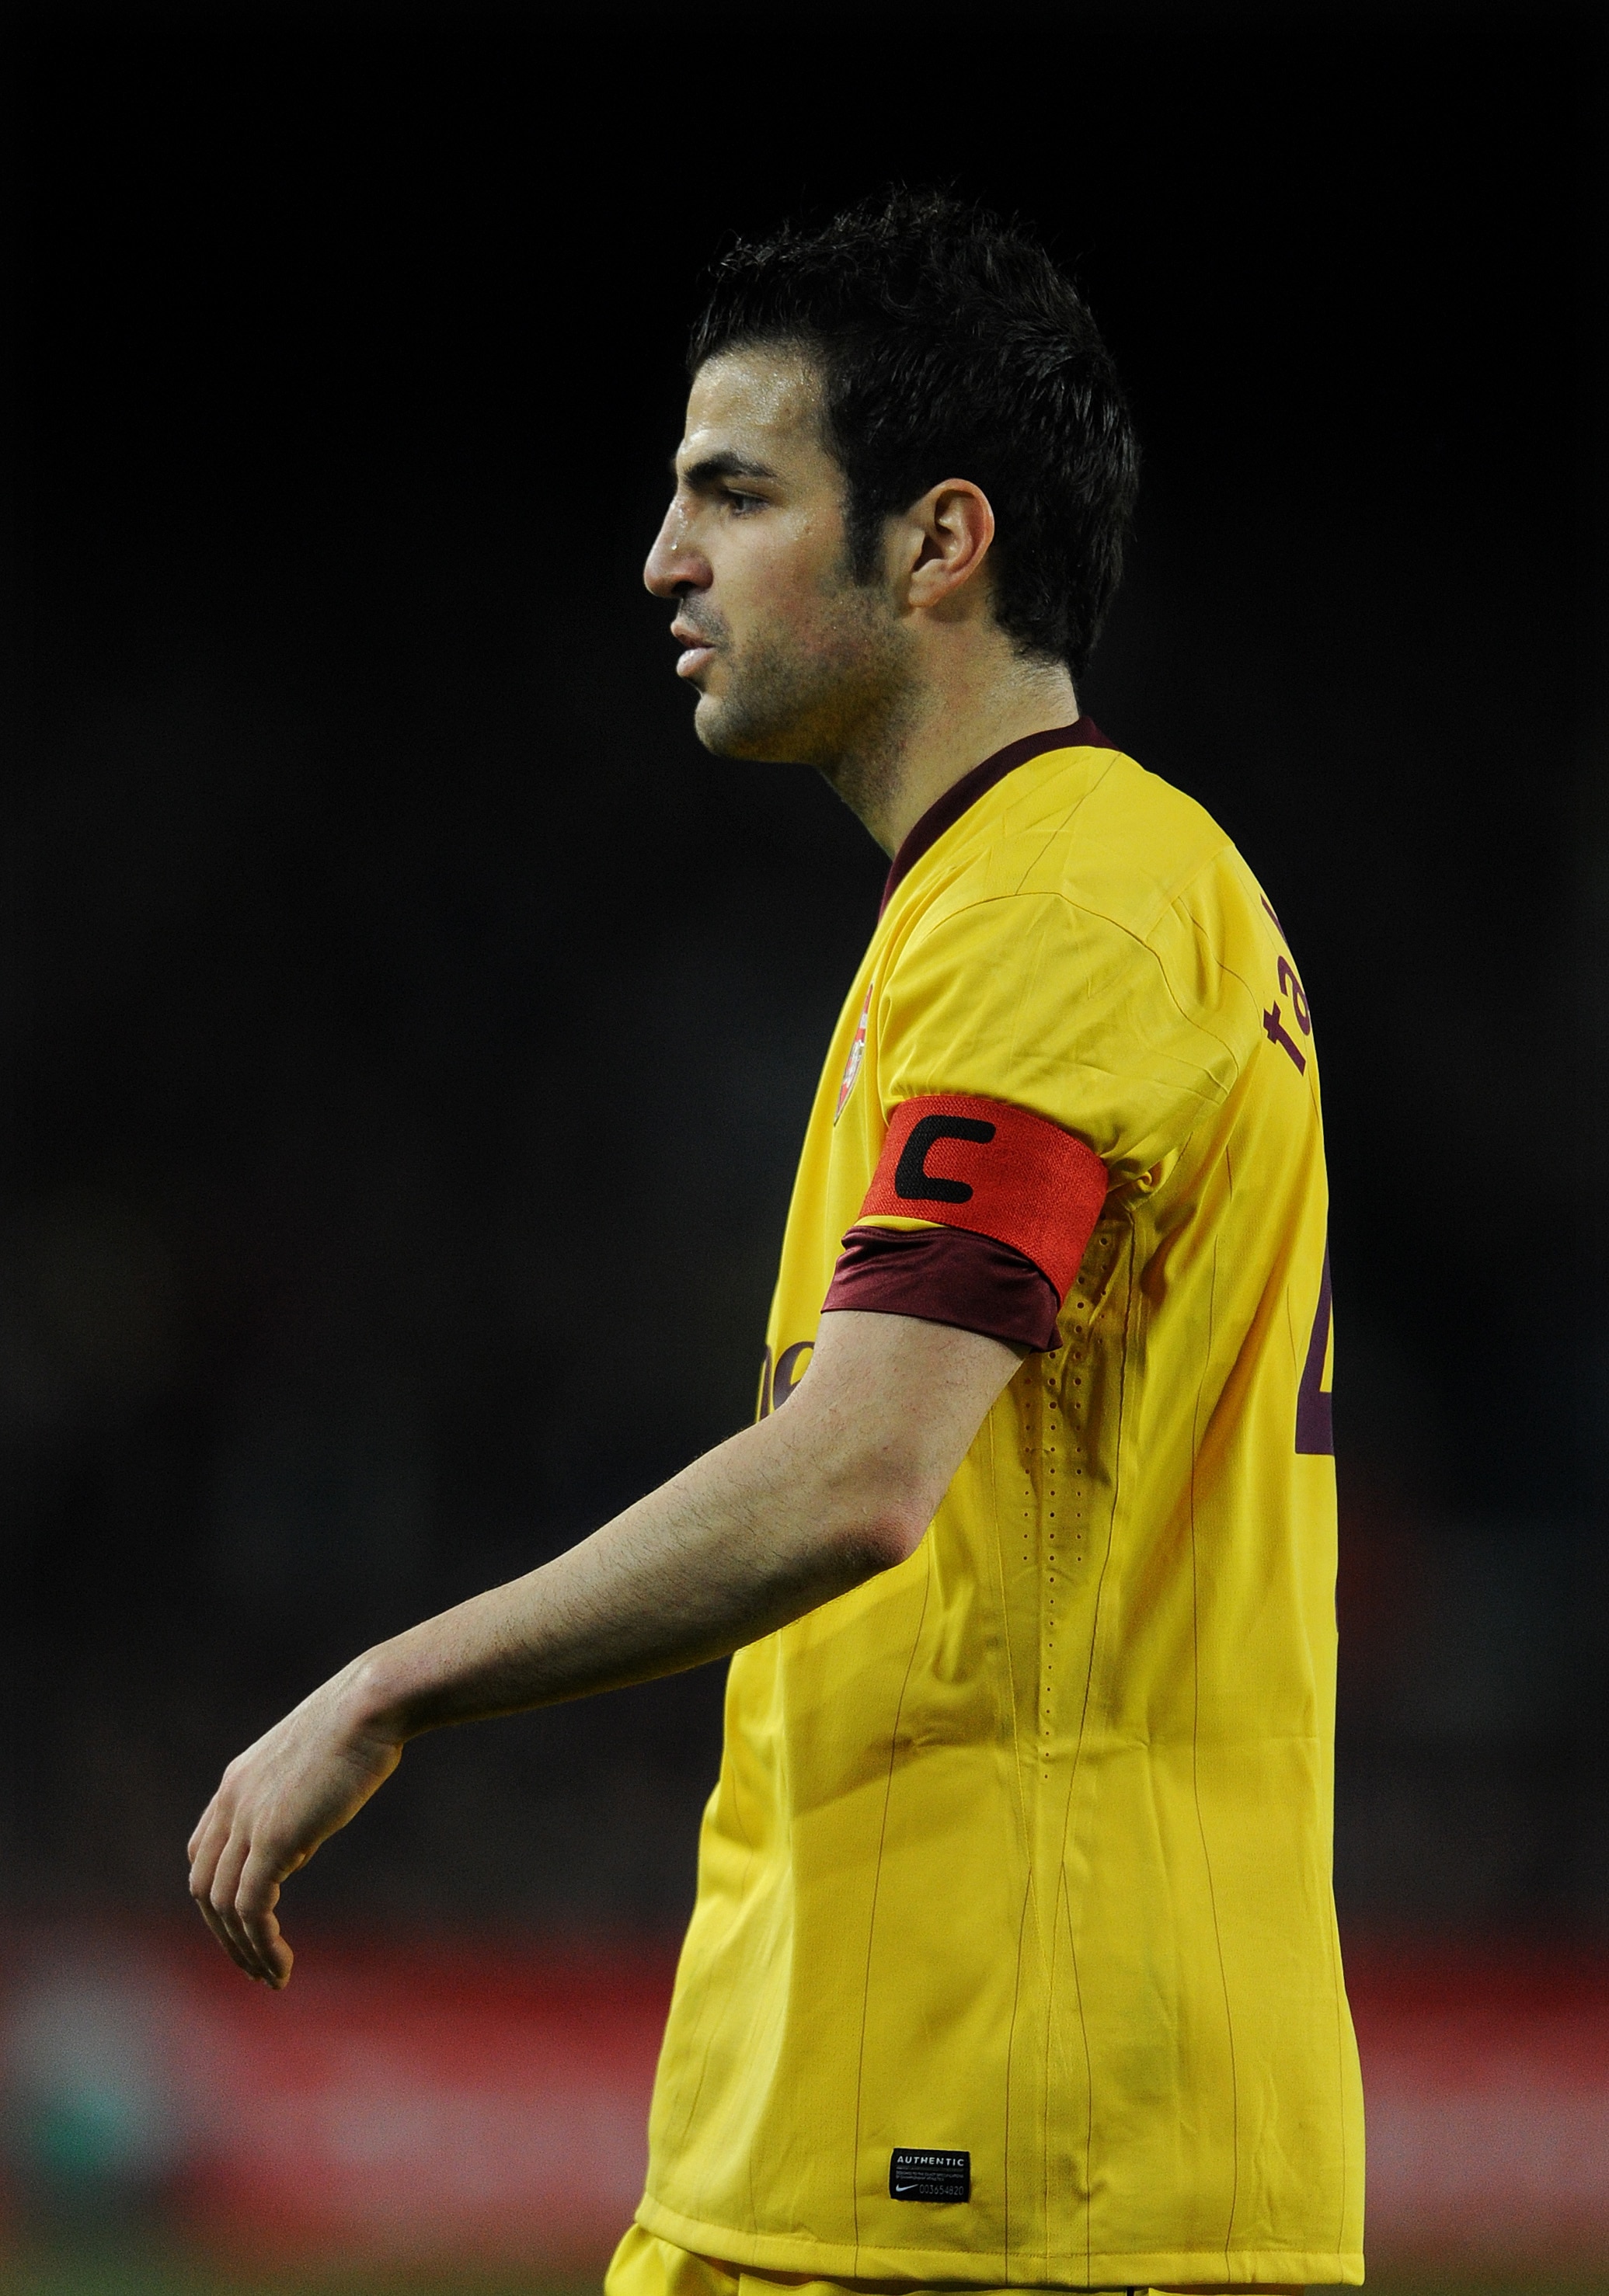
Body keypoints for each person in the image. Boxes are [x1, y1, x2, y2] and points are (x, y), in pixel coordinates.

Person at [188, 192, 1363, 2294]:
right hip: (901, 2122)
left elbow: (862, 1472)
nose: (666, 557)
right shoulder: (1028, 898)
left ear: (939, 541)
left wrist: (387, 1684)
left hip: (1008, 2145)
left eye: (734, 493)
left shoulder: (1057, 909)